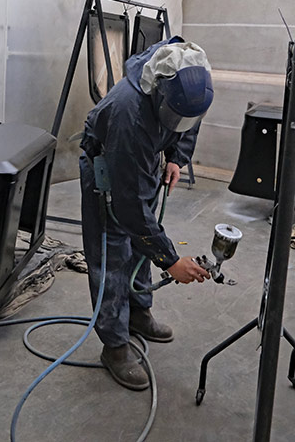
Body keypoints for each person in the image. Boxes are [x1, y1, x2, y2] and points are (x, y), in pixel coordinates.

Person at [79, 37, 214, 390]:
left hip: (146, 155)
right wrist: (170, 261)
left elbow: (190, 118)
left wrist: (175, 158)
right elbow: (130, 208)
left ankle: (138, 313)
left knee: (142, 243)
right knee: (114, 252)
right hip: (109, 164)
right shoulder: (129, 113)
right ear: (158, 91)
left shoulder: (191, 81)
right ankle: (115, 344)